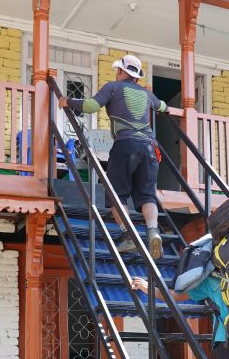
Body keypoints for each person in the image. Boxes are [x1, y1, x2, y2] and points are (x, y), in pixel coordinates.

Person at [60, 54, 167, 260]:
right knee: (147, 195)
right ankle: (153, 231)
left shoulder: (113, 87)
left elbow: (91, 106)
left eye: (117, 70)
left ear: (121, 71)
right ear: (136, 76)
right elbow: (163, 107)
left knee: (118, 194)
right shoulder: (146, 94)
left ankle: (128, 235)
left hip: (125, 145)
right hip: (150, 147)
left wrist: (68, 100)